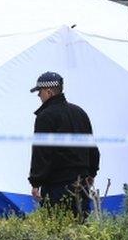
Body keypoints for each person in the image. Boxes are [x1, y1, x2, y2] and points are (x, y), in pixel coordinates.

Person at [27, 71, 99, 218]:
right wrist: (91, 173)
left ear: (49, 92)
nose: (38, 96)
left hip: (56, 186)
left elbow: (42, 153)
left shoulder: (45, 117)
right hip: (82, 183)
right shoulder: (80, 113)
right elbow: (92, 148)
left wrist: (35, 182)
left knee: (56, 230)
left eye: (39, 92)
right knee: (81, 229)